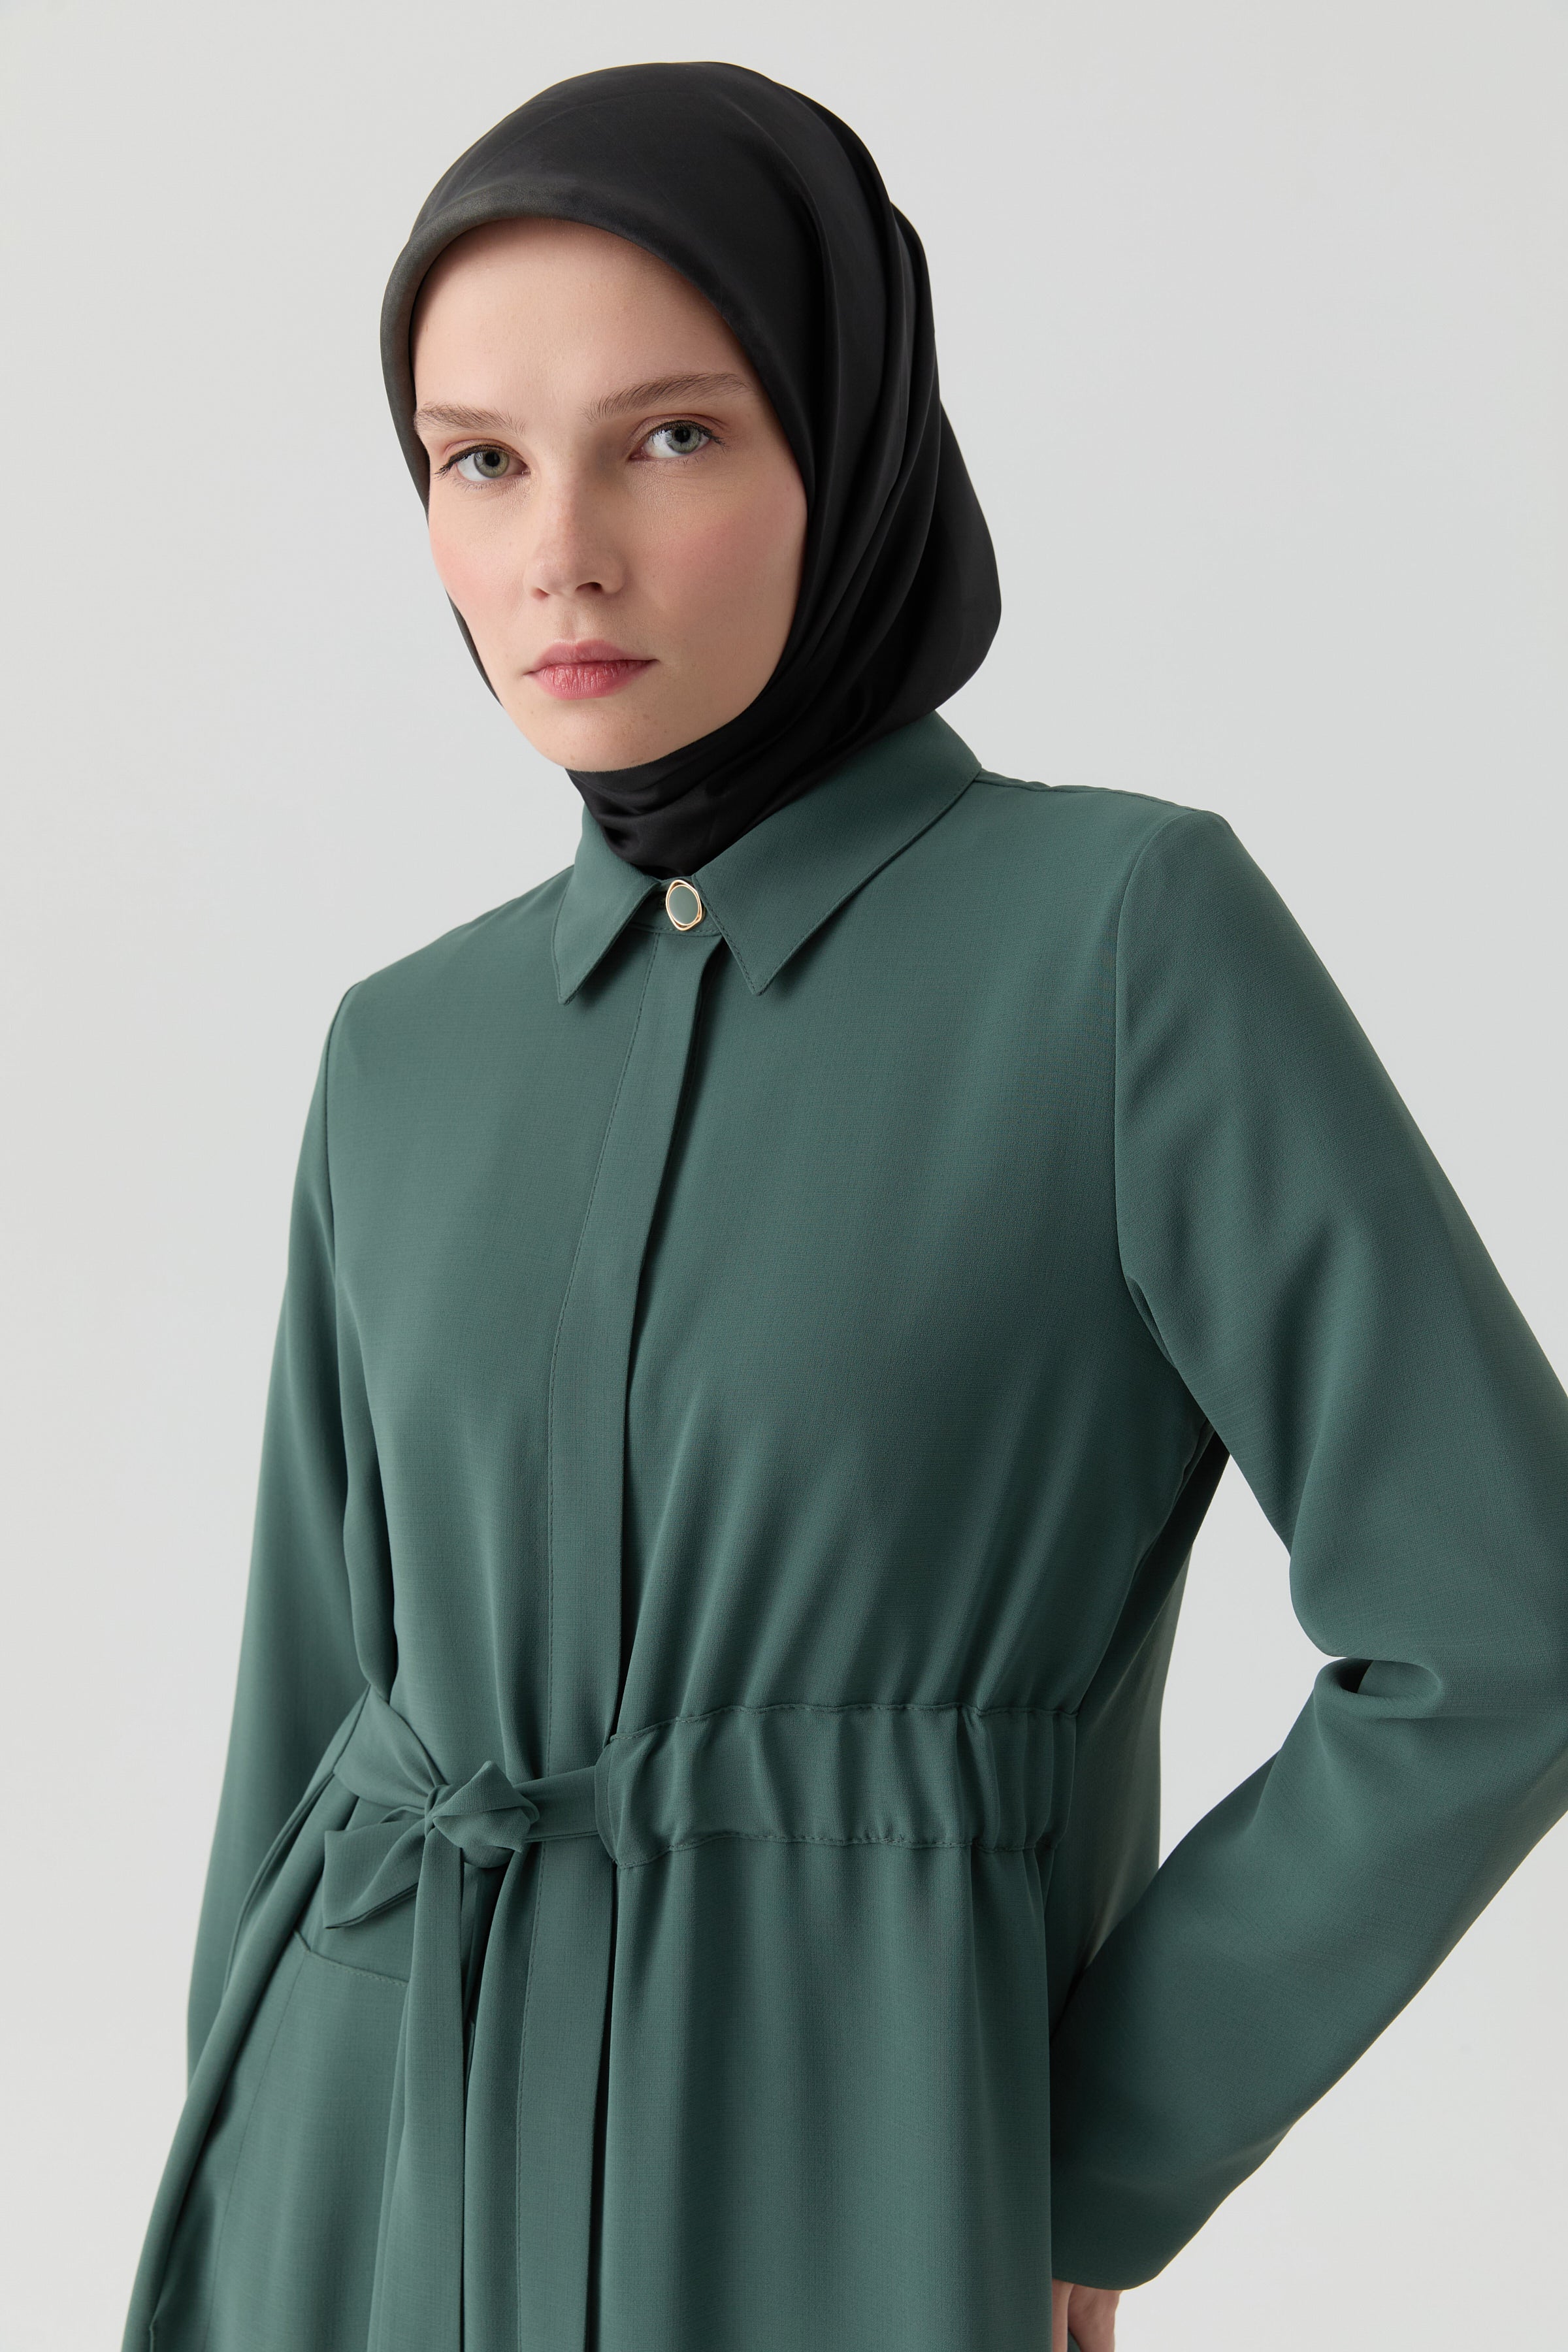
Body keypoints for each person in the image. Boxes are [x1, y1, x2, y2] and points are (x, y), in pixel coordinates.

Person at [122, 60, 1568, 2352]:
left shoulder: (1118, 943)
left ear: (849, 443)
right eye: (478, 459)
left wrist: (1101, 2156)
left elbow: (1501, 1623)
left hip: (854, 2182)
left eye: (671, 435)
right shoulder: (398, 1053)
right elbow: (309, 1730)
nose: (558, 552)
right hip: (367, 2191)